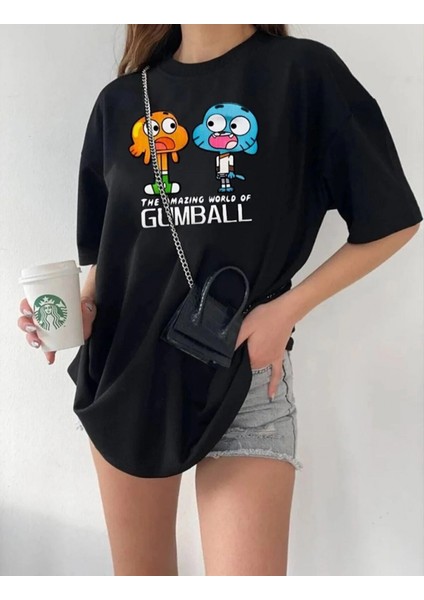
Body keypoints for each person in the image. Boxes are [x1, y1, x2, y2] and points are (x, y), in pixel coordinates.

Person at [17, 25, 422, 576]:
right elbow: (107, 258)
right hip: (127, 373)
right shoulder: (120, 102)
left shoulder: (303, 74)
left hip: (242, 372)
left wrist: (286, 311)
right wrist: (79, 311)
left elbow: (392, 221)